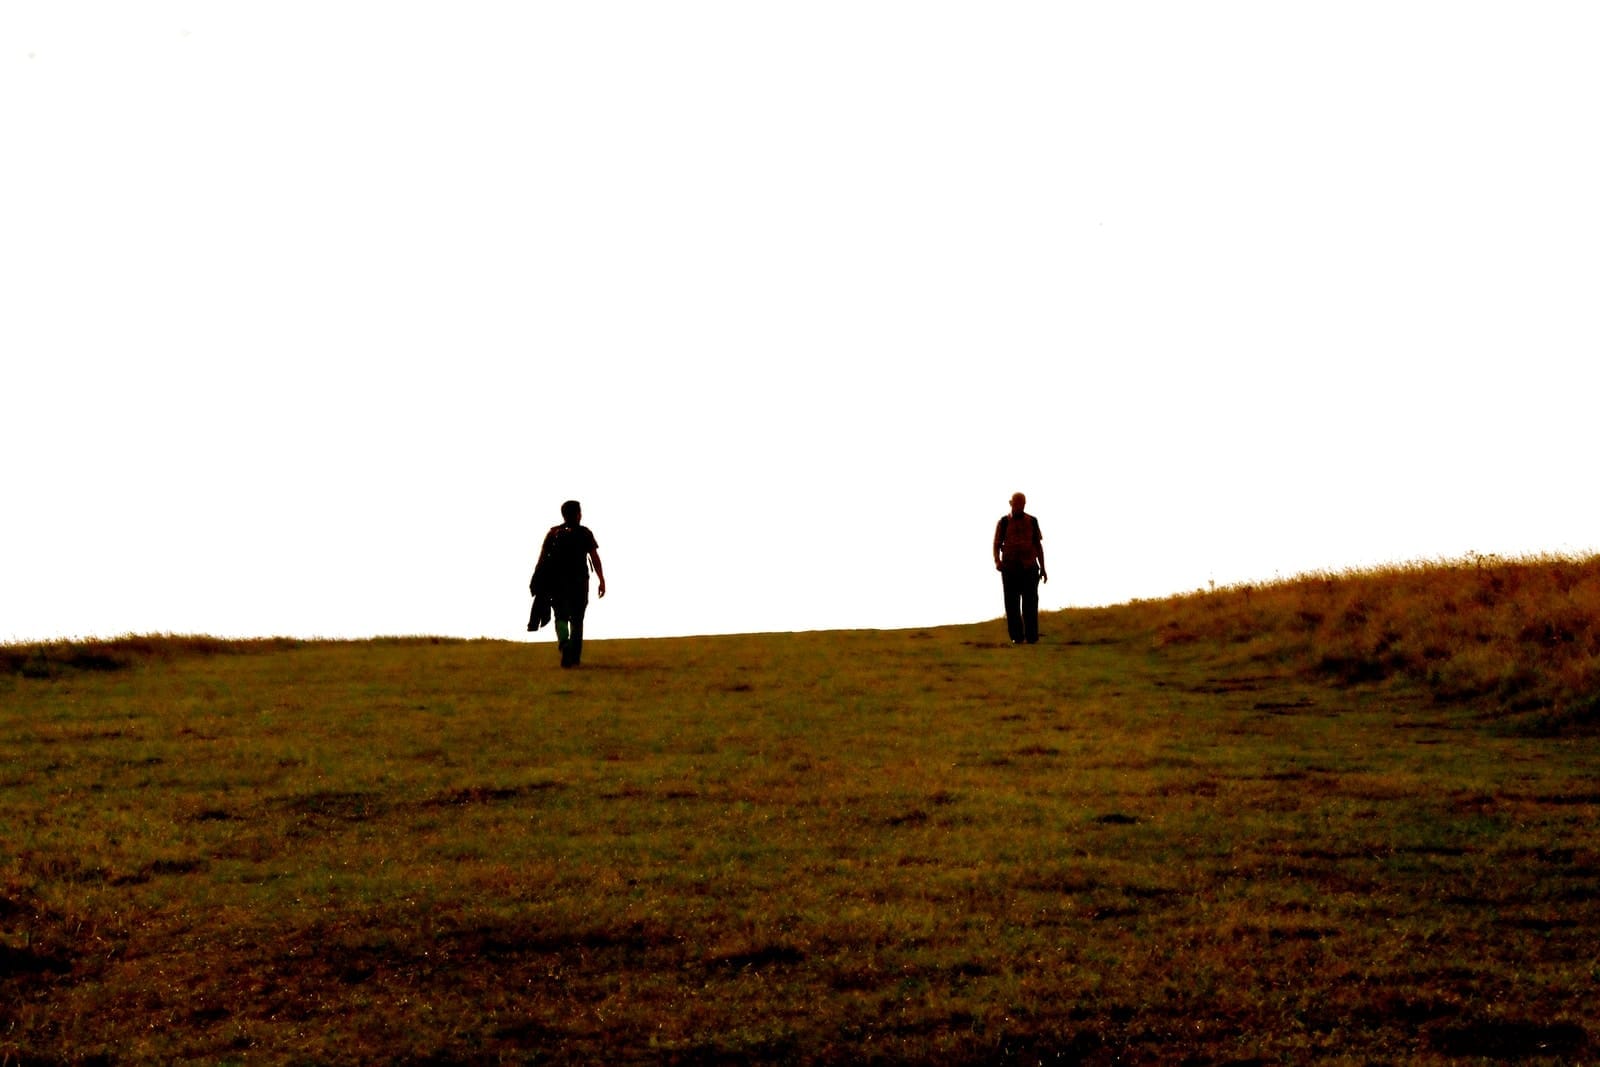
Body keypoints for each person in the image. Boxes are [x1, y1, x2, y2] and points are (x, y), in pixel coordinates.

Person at [534, 500, 605, 667]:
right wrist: (601, 580)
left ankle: (565, 644)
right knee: (577, 619)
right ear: (578, 514)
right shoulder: (585, 533)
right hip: (579, 583)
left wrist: (537, 579)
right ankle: (574, 657)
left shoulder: (553, 533)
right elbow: (595, 558)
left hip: (557, 583)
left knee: (560, 616)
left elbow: (542, 558)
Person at [993, 492, 1047, 644]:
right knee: (1012, 604)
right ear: (1011, 503)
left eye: (1022, 503)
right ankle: (1016, 636)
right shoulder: (1003, 522)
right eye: (1016, 503)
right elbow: (996, 544)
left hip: (1029, 567)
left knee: (1030, 603)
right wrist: (997, 561)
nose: (1019, 506)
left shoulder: (1032, 521)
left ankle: (1032, 637)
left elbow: (1038, 545)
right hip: (1010, 568)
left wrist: (1043, 568)